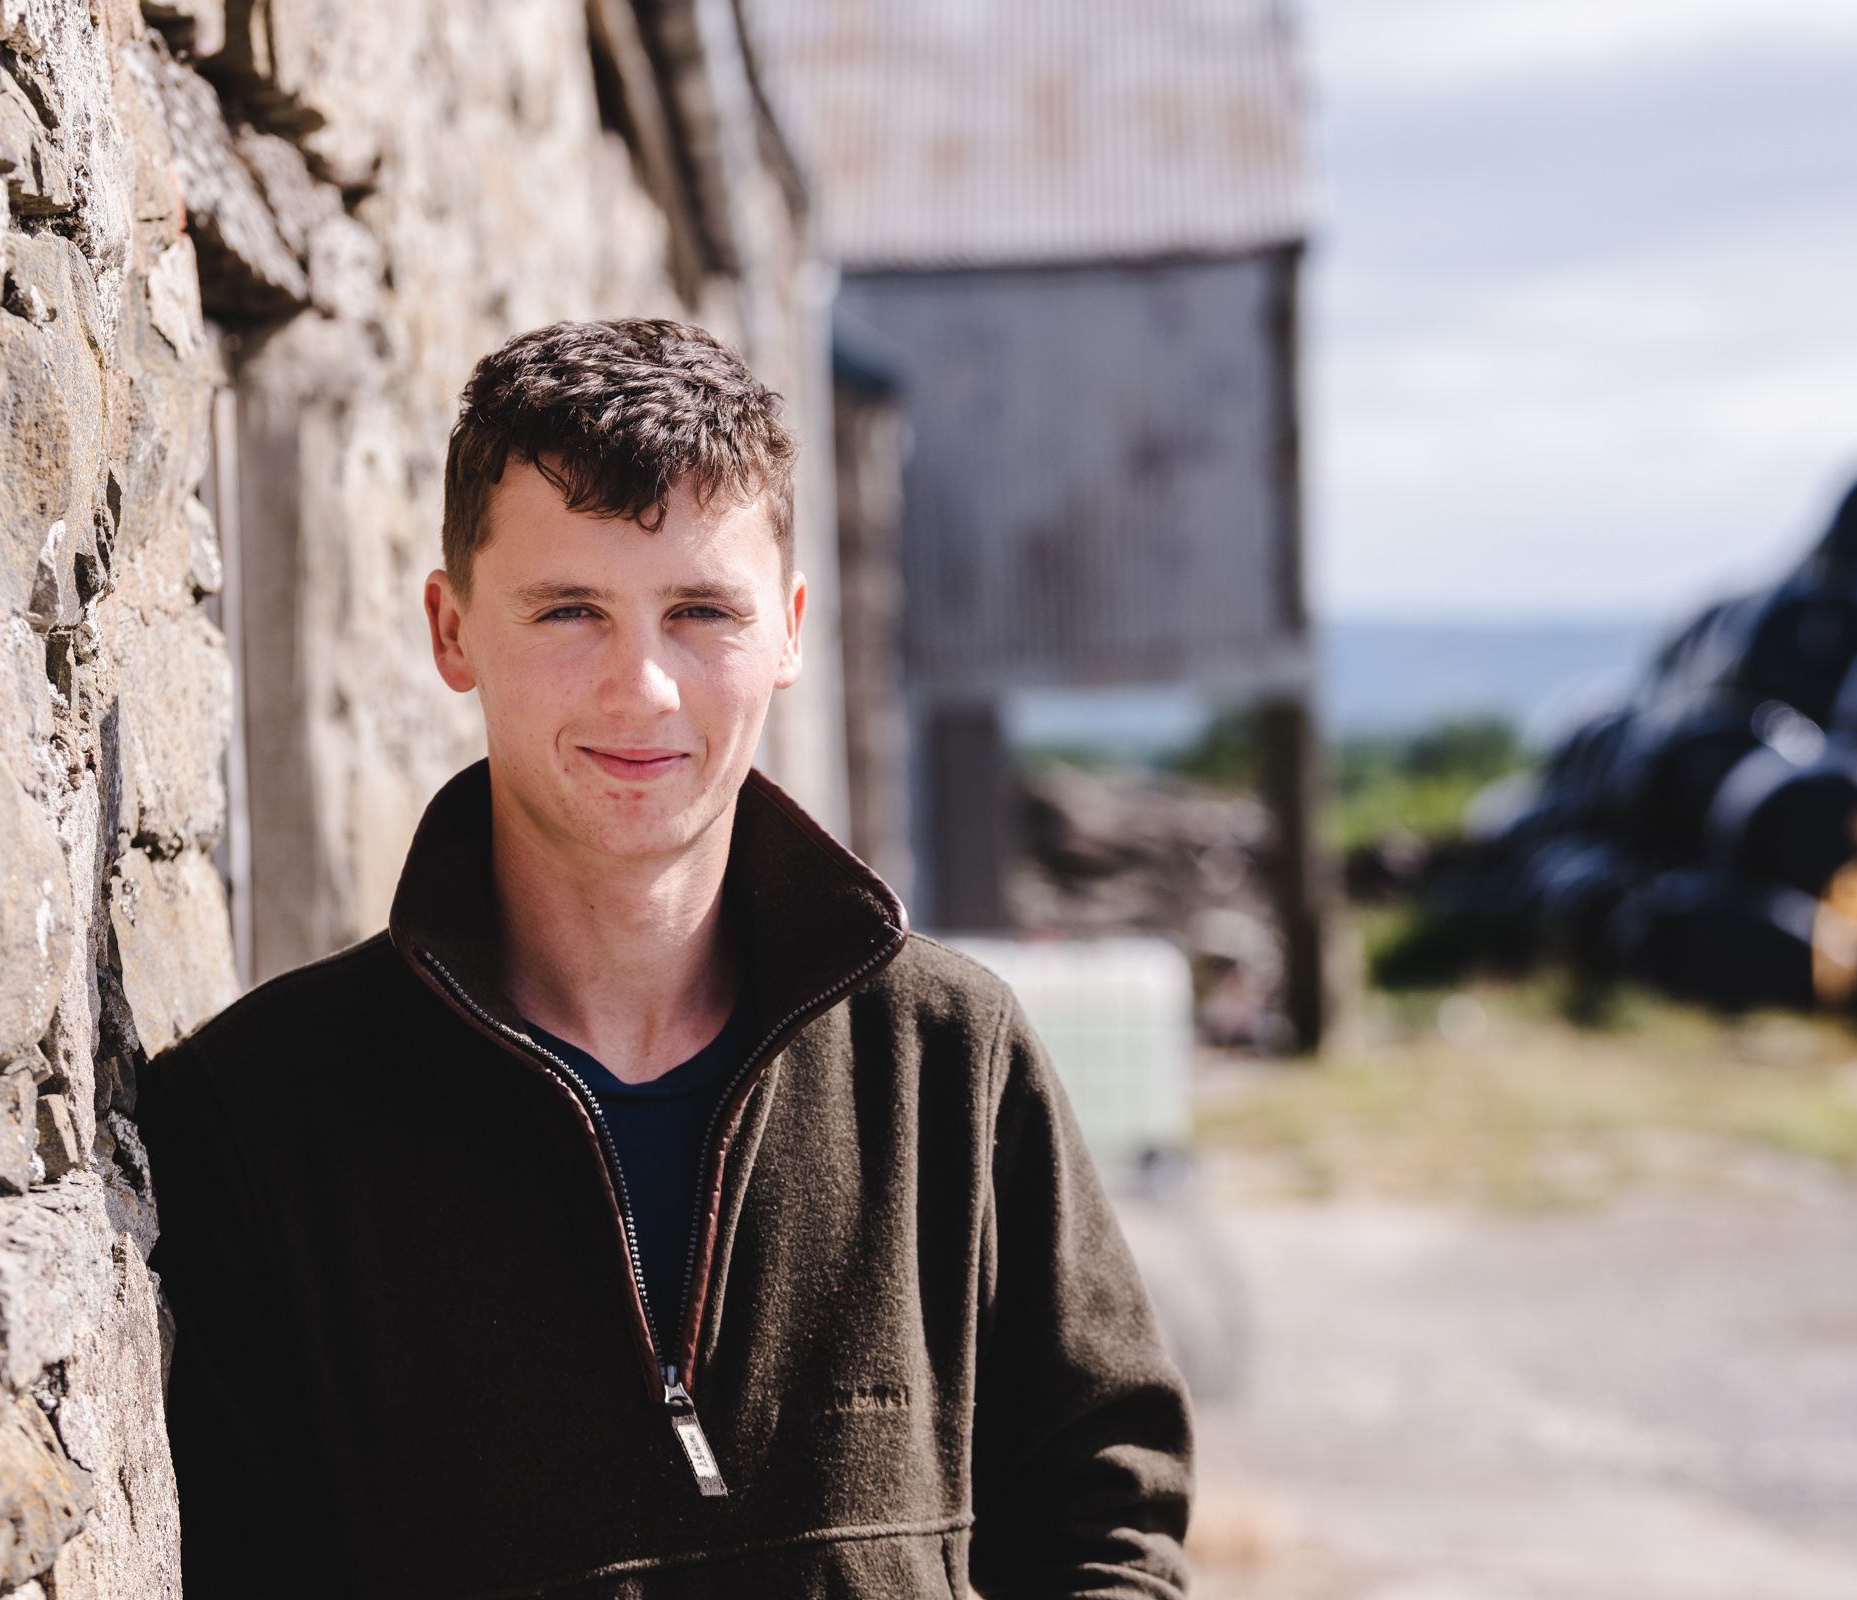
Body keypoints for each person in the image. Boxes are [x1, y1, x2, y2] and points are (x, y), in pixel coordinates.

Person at [137, 317, 1194, 1597]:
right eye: (568, 610)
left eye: (701, 611)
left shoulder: (949, 1057)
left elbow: (1107, 1513)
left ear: (789, 631)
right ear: (453, 630)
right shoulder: (256, 1119)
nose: (642, 687)